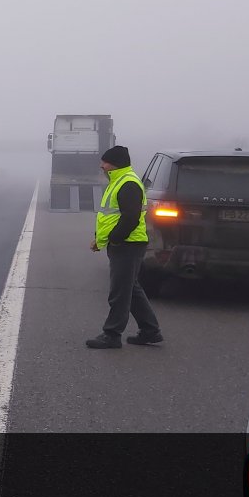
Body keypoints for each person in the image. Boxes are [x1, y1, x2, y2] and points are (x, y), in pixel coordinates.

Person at [86, 145, 163, 349]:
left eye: (105, 162)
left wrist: (116, 239)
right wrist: (100, 239)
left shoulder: (128, 183)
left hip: (128, 244)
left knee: (119, 291)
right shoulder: (119, 181)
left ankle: (112, 334)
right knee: (131, 289)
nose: (101, 166)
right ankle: (150, 330)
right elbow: (110, 217)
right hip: (124, 243)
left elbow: (130, 217)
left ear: (115, 164)